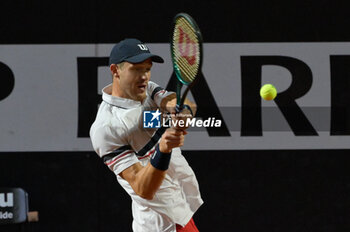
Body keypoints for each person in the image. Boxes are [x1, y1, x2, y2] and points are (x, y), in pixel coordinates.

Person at [89, 38, 203, 232]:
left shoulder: (147, 89)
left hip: (180, 210)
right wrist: (163, 150)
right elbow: (143, 188)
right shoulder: (105, 128)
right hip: (160, 225)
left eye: (147, 69)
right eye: (136, 69)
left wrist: (182, 113)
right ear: (115, 70)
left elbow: (178, 103)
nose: (144, 76)